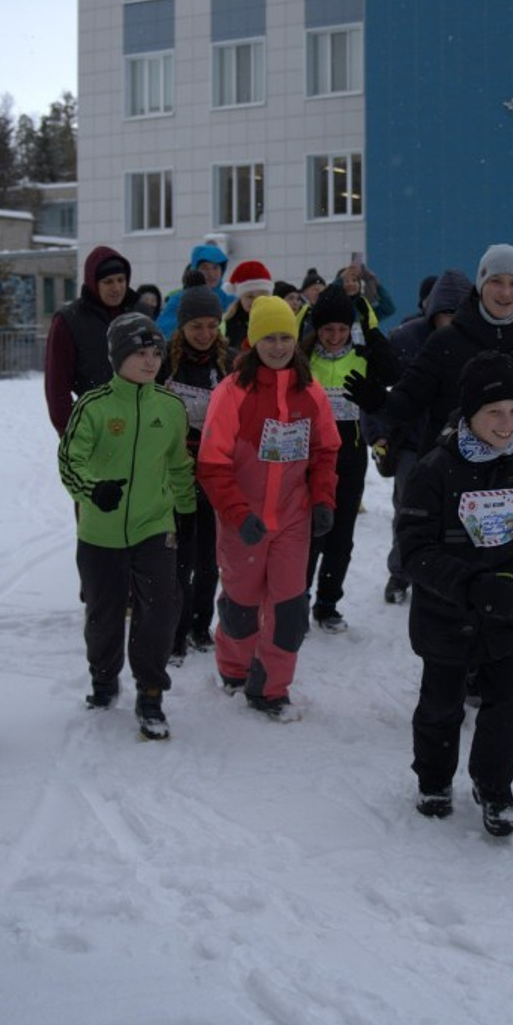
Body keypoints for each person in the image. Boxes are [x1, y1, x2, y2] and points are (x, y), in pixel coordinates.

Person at [398, 352, 513, 836]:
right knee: (441, 704)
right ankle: (433, 779)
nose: (507, 423)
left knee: (512, 697)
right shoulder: (434, 471)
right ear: (469, 414)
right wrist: (468, 585)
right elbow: (414, 551)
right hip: (446, 613)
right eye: (494, 412)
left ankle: (493, 787)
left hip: (507, 613)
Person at [197, 296, 340, 721]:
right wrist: (239, 515)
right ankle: (235, 667)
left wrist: (323, 500)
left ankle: (272, 688)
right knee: (241, 605)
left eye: (285, 338)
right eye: (269, 338)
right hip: (245, 521)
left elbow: (326, 451)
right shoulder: (232, 392)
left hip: (293, 520)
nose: (278, 346)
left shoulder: (310, 390)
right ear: (252, 340)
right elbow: (212, 464)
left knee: (289, 608)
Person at [57, 312, 197, 739]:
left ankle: (151, 692)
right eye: (139, 353)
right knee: (104, 612)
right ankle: (103, 678)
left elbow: (178, 464)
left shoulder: (170, 407)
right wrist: (93, 490)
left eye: (155, 352)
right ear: (118, 356)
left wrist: (187, 515)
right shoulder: (94, 406)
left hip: (155, 525)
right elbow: (69, 461)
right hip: (100, 532)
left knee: (160, 608)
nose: (150, 361)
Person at [358, 244, 513, 459]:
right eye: (496, 280)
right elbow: (407, 403)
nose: (506, 292)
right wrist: (379, 402)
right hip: (446, 477)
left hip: (512, 481)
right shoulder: (445, 341)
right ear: (480, 284)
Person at [366, 268, 471, 605]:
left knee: (458, 514)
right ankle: (400, 573)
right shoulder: (406, 338)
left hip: (463, 445)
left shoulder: (478, 341)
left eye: (458, 313)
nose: (451, 320)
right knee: (410, 513)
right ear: (433, 311)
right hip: (412, 441)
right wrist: (378, 434)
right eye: (445, 313)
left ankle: (451, 574)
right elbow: (379, 389)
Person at [302, 283, 401, 631]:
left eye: (342, 329)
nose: (334, 336)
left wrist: (371, 331)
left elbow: (395, 372)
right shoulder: (304, 356)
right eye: (327, 328)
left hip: (350, 453)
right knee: (309, 532)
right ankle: (298, 599)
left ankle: (328, 603)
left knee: (341, 534)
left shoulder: (361, 353)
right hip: (309, 457)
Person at [160, 278, 230, 658]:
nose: (204, 334)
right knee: (178, 560)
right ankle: (176, 631)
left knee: (209, 559)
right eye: (195, 326)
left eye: (211, 325)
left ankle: (201, 626)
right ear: (182, 327)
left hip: (216, 473)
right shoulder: (165, 364)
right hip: (174, 477)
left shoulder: (229, 362)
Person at [44, 245, 139, 436]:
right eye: (108, 281)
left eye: (121, 280)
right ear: (93, 283)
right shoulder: (69, 321)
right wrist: (71, 433)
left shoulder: (138, 314)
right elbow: (57, 386)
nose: (117, 288)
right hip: (95, 426)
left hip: (140, 424)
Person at [157, 243, 229, 337]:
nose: (211, 273)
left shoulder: (229, 300)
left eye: (215, 268)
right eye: (205, 268)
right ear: (195, 270)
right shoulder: (179, 300)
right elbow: (163, 330)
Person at [222, 260, 275, 353]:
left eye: (262, 295)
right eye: (250, 296)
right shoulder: (227, 324)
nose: (256, 301)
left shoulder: (278, 319)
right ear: (240, 298)